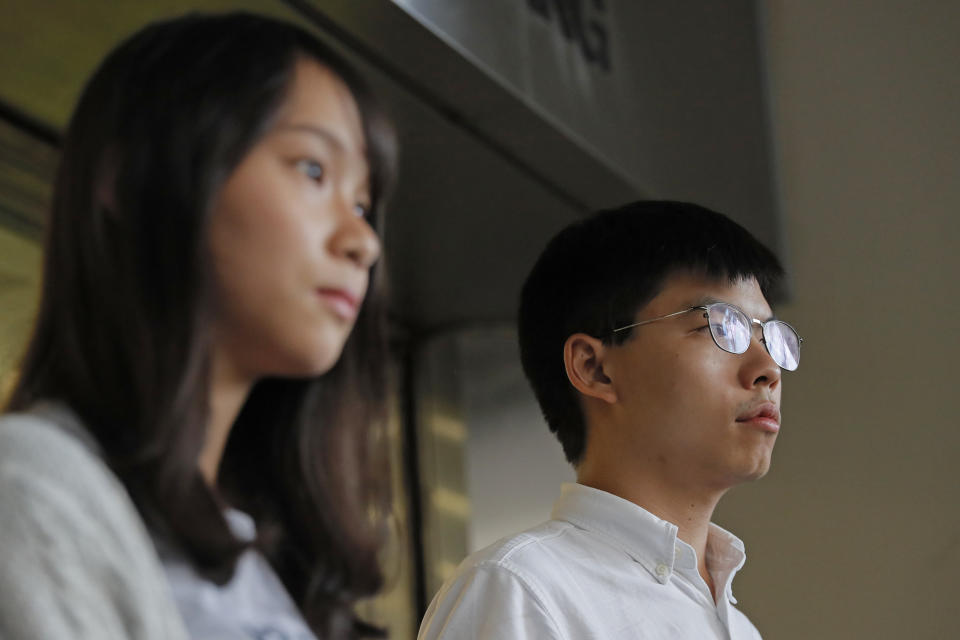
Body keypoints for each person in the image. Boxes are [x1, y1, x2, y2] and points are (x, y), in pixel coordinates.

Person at [0, 12, 397, 640]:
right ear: (132, 176)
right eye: (313, 170)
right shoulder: (32, 491)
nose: (363, 242)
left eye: (362, 205)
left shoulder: (268, 557)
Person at [418, 201, 802, 639]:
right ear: (595, 368)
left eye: (769, 335)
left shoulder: (741, 629)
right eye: (721, 326)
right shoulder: (522, 590)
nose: (767, 368)